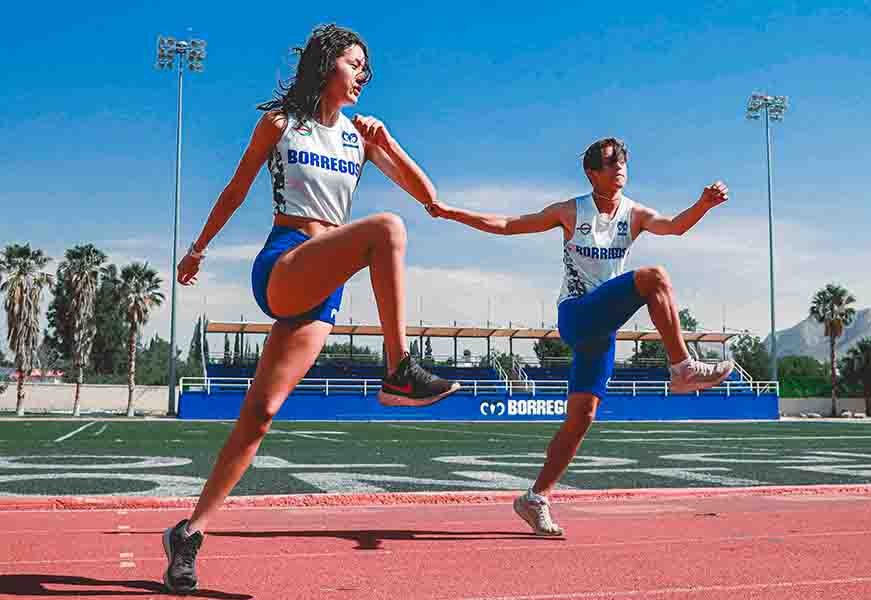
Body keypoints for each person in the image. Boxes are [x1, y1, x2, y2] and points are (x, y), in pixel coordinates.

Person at [161, 24, 459, 594]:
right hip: (284, 261)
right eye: (354, 63)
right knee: (386, 231)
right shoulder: (281, 124)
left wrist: (388, 141)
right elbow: (235, 188)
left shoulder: (360, 136)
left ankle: (188, 535)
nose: (363, 75)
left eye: (367, 68)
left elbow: (429, 198)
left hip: (325, 287)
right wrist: (198, 248)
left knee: (260, 416)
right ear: (326, 66)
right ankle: (399, 371)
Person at [428, 137, 734, 536]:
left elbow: (674, 227)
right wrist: (453, 213)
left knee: (581, 417)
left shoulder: (635, 213)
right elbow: (507, 225)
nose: (619, 167)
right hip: (576, 315)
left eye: (622, 161)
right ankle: (683, 368)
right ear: (591, 172)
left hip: (602, 330)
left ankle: (534, 498)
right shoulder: (571, 211)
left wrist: (703, 206)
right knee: (654, 277)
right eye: (609, 163)